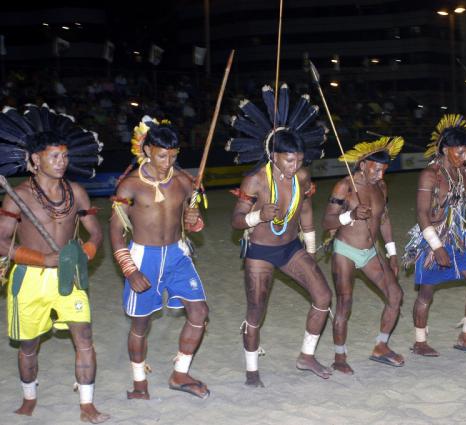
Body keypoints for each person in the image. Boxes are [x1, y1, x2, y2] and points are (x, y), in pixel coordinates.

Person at [0, 105, 109, 422]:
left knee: (84, 338)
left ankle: (87, 404)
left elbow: (95, 230)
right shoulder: (17, 196)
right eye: (55, 156)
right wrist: (41, 258)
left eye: (65, 156)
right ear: (35, 160)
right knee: (29, 345)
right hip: (30, 278)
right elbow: (3, 242)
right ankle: (29, 396)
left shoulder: (76, 191)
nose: (63, 162)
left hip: (69, 276)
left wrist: (86, 251)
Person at [227, 83, 332, 387]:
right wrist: (259, 215)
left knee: (323, 297)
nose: (294, 165)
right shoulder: (255, 181)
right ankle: (251, 370)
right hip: (260, 250)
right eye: (288, 159)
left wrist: (310, 250)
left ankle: (307, 355)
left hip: (290, 247)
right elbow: (235, 221)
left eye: (299, 159)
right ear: (274, 155)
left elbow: (308, 212)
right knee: (256, 310)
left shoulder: (301, 176)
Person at [110, 117, 210, 400]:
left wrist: (194, 220)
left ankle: (180, 373)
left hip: (178, 254)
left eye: (174, 156)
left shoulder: (183, 181)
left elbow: (194, 222)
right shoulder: (129, 186)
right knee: (141, 324)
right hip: (143, 257)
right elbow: (116, 232)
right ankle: (139, 383)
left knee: (199, 313)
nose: (168, 162)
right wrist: (130, 270)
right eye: (162, 155)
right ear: (147, 150)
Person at [403, 114, 466, 356]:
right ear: (445, 149)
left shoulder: (463, 173)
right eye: (460, 152)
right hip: (432, 239)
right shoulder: (430, 175)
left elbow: (465, 209)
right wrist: (436, 247)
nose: (465, 158)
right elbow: (422, 214)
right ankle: (420, 342)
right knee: (426, 293)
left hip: (457, 237)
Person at [322, 136, 405, 374]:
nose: (380, 175)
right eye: (376, 169)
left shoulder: (380, 186)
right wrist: (351, 215)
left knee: (395, 295)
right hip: (345, 250)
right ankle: (339, 356)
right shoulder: (344, 187)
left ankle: (381, 346)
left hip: (371, 252)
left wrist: (392, 252)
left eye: (384, 170)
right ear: (362, 164)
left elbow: (384, 219)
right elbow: (327, 223)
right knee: (345, 303)